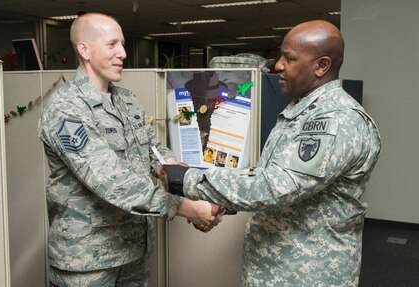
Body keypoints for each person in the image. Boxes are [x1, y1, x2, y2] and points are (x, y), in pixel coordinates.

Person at [162, 20, 382, 286]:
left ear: (321, 66)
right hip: (277, 268)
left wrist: (188, 179)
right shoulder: (302, 110)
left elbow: (277, 187)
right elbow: (268, 173)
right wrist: (223, 201)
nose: (277, 65)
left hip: (307, 274)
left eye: (289, 58)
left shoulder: (335, 120)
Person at [38, 13, 222, 287]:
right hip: (87, 260)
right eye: (112, 44)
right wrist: (190, 209)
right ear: (84, 50)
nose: (123, 53)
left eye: (123, 44)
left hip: (132, 252)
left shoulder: (127, 101)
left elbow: (153, 151)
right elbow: (112, 182)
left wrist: (178, 176)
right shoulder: (67, 109)